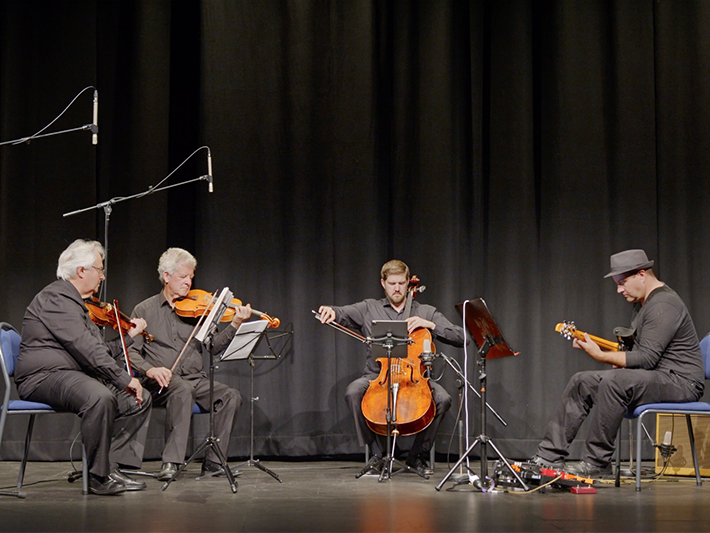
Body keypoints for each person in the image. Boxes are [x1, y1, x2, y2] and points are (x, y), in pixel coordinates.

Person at [531, 249, 705, 477]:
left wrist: (601, 355)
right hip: (658, 376)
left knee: (615, 381)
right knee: (582, 381)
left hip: (681, 382)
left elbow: (646, 358)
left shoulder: (664, 305)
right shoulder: (643, 304)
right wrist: (615, 357)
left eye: (622, 282)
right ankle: (548, 457)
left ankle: (597, 463)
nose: (619, 289)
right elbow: (640, 356)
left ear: (641, 274)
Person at [14, 239, 152, 495]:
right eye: (99, 270)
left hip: (70, 374)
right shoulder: (56, 298)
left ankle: (111, 465)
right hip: (43, 377)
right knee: (99, 396)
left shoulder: (77, 303)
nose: (102, 277)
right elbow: (86, 350)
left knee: (136, 400)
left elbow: (97, 349)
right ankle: (99, 478)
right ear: (81, 271)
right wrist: (124, 378)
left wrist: (128, 339)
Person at [318, 259, 466, 476]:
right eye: (392, 283)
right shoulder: (369, 308)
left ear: (408, 283)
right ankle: (378, 453)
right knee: (352, 392)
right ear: (383, 283)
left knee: (443, 399)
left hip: (415, 378)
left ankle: (418, 455)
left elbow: (462, 337)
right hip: (378, 376)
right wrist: (330, 310)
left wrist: (431, 325)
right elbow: (341, 313)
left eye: (401, 283)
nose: (397, 288)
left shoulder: (425, 311)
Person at [127, 248, 250, 481]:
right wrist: (150, 370)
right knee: (181, 388)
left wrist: (234, 325)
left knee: (230, 396)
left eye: (191, 277)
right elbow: (131, 351)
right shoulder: (144, 310)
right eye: (183, 276)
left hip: (195, 380)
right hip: (161, 383)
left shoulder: (196, 310)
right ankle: (171, 462)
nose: (188, 281)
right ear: (166, 276)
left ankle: (214, 462)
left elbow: (213, 347)